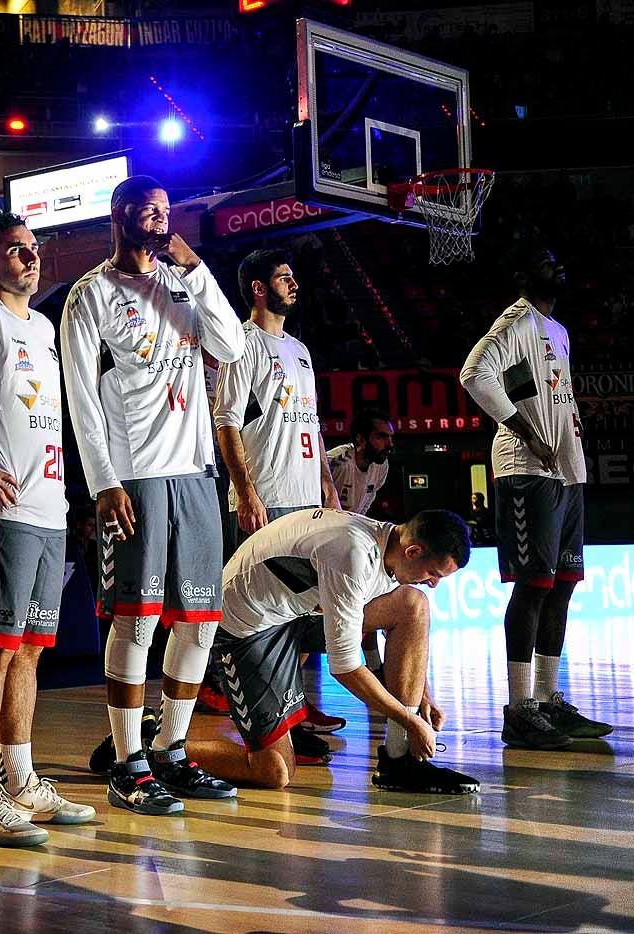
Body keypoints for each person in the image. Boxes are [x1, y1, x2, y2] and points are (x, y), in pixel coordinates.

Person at [61, 174, 245, 815]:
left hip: (195, 472)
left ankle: (171, 749)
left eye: (167, 211)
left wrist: (196, 271)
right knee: (136, 619)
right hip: (134, 472)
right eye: (149, 209)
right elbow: (80, 394)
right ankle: (127, 760)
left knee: (200, 621)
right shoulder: (90, 294)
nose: (161, 219)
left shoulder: (181, 284)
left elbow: (234, 345)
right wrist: (102, 481)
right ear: (119, 214)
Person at [0, 213, 95, 848]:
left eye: (33, 250)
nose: (29, 260)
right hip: (3, 513)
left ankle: (20, 780)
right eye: (14, 251)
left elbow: (5, 409)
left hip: (49, 508)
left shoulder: (40, 325)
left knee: (31, 648)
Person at [184, 508, 480, 795]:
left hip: (296, 614)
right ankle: (160, 749)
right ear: (413, 551)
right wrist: (409, 719)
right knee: (273, 772)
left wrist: (422, 696)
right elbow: (345, 667)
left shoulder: (388, 547)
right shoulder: (352, 553)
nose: (434, 583)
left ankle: (399, 760)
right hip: (247, 628)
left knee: (413, 605)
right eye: (433, 573)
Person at [460, 243, 612, 750]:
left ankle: (548, 700)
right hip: (526, 470)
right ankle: (519, 709)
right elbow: (474, 374)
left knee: (563, 584)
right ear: (525, 275)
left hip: (567, 472)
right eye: (548, 262)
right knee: (533, 586)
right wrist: (525, 429)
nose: (560, 267)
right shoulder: (516, 322)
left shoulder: (559, 331)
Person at [211, 249, 344, 746]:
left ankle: (297, 712)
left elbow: (310, 422)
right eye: (284, 278)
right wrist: (246, 493)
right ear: (258, 288)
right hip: (267, 497)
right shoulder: (242, 345)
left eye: (293, 277)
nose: (294, 285)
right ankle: (275, 722)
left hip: (307, 496)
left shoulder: (301, 351)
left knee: (301, 611)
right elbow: (226, 421)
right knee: (268, 617)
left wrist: (328, 481)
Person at [327, 409, 395, 676]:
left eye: (390, 437)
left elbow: (361, 511)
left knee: (368, 601)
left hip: (352, 538)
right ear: (360, 439)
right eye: (381, 437)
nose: (389, 444)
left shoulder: (382, 467)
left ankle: (377, 669)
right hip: (324, 539)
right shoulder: (335, 463)